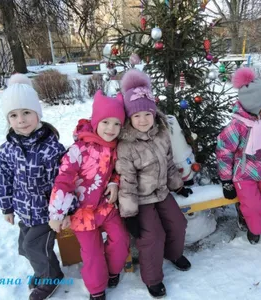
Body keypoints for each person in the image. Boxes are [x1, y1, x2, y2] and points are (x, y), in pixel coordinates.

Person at [116, 69, 193, 298]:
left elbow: (169, 163)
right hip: (140, 200)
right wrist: (129, 214)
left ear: (154, 114)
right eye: (137, 116)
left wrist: (177, 184)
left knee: (178, 223)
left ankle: (173, 253)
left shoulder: (161, 134)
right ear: (130, 118)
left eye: (147, 115)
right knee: (152, 236)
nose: (143, 120)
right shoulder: (126, 145)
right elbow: (127, 182)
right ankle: (153, 278)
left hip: (161, 192)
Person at [48, 90, 130, 300]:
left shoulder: (114, 147)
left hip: (105, 206)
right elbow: (63, 180)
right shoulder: (79, 149)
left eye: (116, 124)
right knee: (92, 253)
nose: (111, 129)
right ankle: (96, 289)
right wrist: (57, 213)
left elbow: (115, 170)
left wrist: (114, 182)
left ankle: (113, 272)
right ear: (95, 121)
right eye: (105, 122)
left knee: (120, 240)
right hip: (82, 213)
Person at [0, 73, 68, 300]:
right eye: (14, 115)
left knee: (34, 246)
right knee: (25, 247)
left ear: (38, 113)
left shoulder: (51, 148)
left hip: (48, 213)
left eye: (26, 112)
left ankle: (51, 276)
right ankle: (42, 270)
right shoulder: (7, 149)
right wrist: (6, 208)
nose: (21, 120)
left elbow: (64, 182)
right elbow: (3, 179)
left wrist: (65, 210)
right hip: (24, 211)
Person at [216, 67, 261, 244]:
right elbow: (224, 152)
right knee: (254, 208)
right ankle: (252, 224)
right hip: (243, 174)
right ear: (256, 105)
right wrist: (226, 181)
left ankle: (248, 214)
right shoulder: (237, 126)